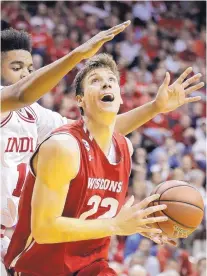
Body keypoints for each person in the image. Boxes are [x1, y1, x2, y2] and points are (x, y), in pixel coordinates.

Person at [1, 24, 203, 256]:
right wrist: (79, 54)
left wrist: (155, 107)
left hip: (10, 237)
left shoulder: (33, 114)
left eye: (30, 68)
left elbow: (96, 132)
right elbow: (21, 93)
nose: (27, 75)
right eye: (16, 68)